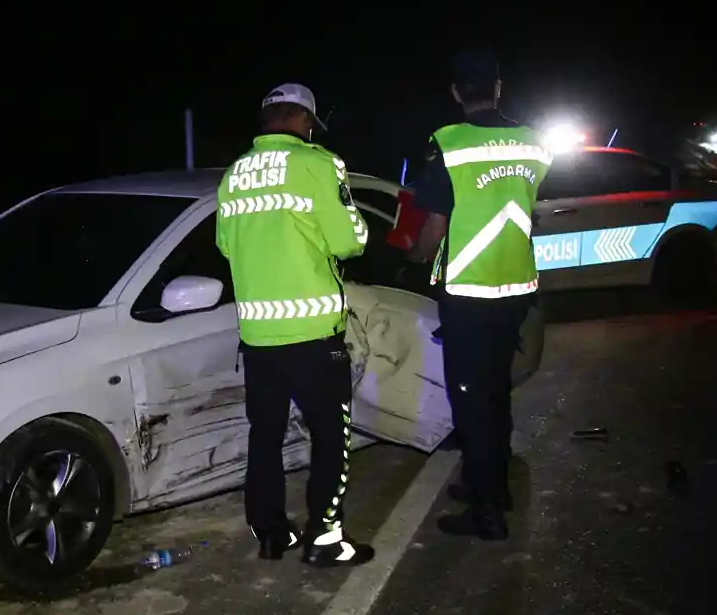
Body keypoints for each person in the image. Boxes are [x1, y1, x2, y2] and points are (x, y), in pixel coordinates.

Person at [215, 83, 376, 568]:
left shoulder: (233, 175)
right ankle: (325, 539)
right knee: (330, 439)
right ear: (305, 122)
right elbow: (350, 242)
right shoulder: (319, 164)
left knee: (263, 438)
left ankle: (271, 534)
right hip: (313, 339)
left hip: (258, 340)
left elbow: (226, 246)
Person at [404, 50, 552, 540]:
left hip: (469, 293)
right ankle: (493, 485)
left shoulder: (449, 144)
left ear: (455, 94)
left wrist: (415, 256)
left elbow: (435, 225)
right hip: (516, 289)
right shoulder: (533, 143)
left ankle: (487, 512)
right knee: (495, 393)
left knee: (472, 402)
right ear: (499, 88)